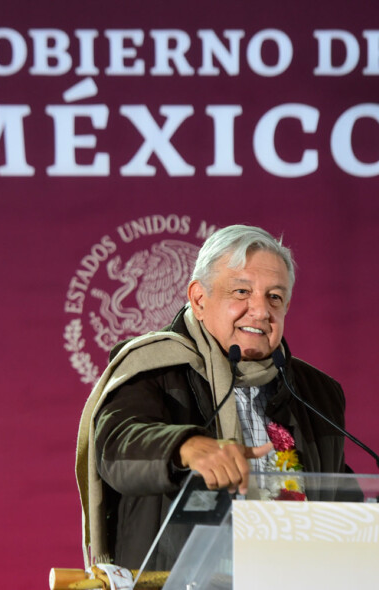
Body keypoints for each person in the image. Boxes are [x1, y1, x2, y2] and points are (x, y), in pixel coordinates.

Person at [75, 225, 349, 570]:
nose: (261, 311)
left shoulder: (316, 392)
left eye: (274, 297)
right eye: (241, 292)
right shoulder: (153, 368)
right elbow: (117, 449)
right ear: (199, 299)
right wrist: (184, 447)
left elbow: (338, 491)